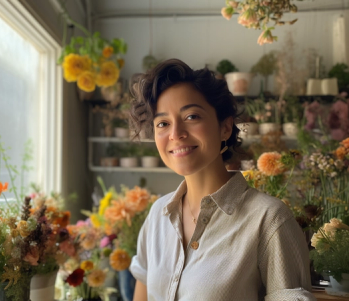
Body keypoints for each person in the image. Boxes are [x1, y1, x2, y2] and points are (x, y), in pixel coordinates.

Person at [128, 59, 315, 301]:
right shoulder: (157, 216)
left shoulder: (269, 221)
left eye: (192, 116)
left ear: (225, 128)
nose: (176, 134)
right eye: (163, 123)